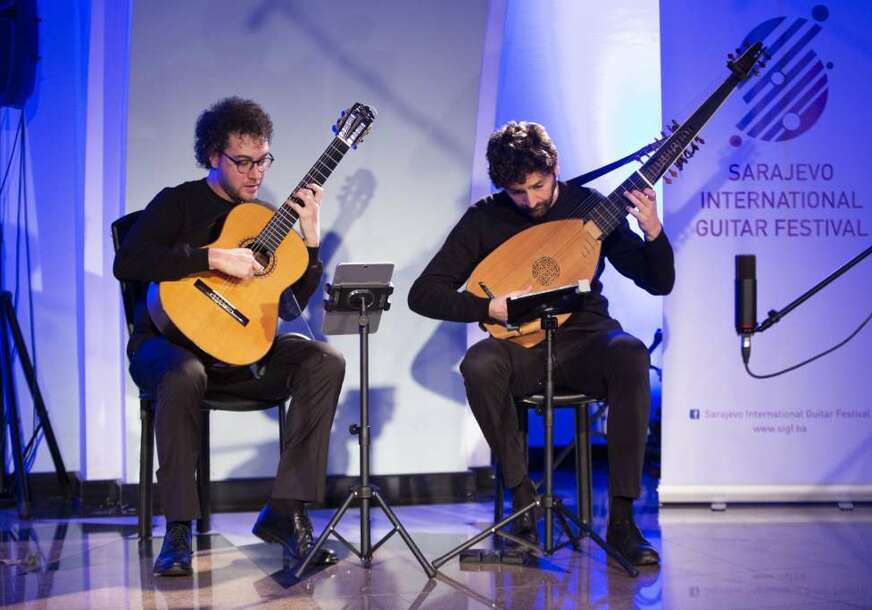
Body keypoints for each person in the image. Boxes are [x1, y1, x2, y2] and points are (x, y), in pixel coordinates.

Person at [408, 121, 674, 565]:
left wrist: (652, 229)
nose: (530, 200)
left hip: (587, 338)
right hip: (521, 348)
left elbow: (658, 281)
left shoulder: (590, 208)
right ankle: (522, 503)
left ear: (555, 169)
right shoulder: (485, 218)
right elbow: (423, 293)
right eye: (517, 192)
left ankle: (624, 522)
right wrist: (486, 308)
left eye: (538, 186)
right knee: (478, 364)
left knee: (629, 352)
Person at [114, 97, 344, 576]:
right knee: (183, 372)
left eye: (263, 161)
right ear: (213, 156)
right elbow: (129, 262)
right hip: (167, 346)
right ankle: (178, 529)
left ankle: (286, 511)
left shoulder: (264, 219)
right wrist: (213, 259)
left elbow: (289, 305)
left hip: (239, 355)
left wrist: (313, 239)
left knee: (325, 359)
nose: (255, 173)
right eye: (243, 162)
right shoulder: (177, 202)